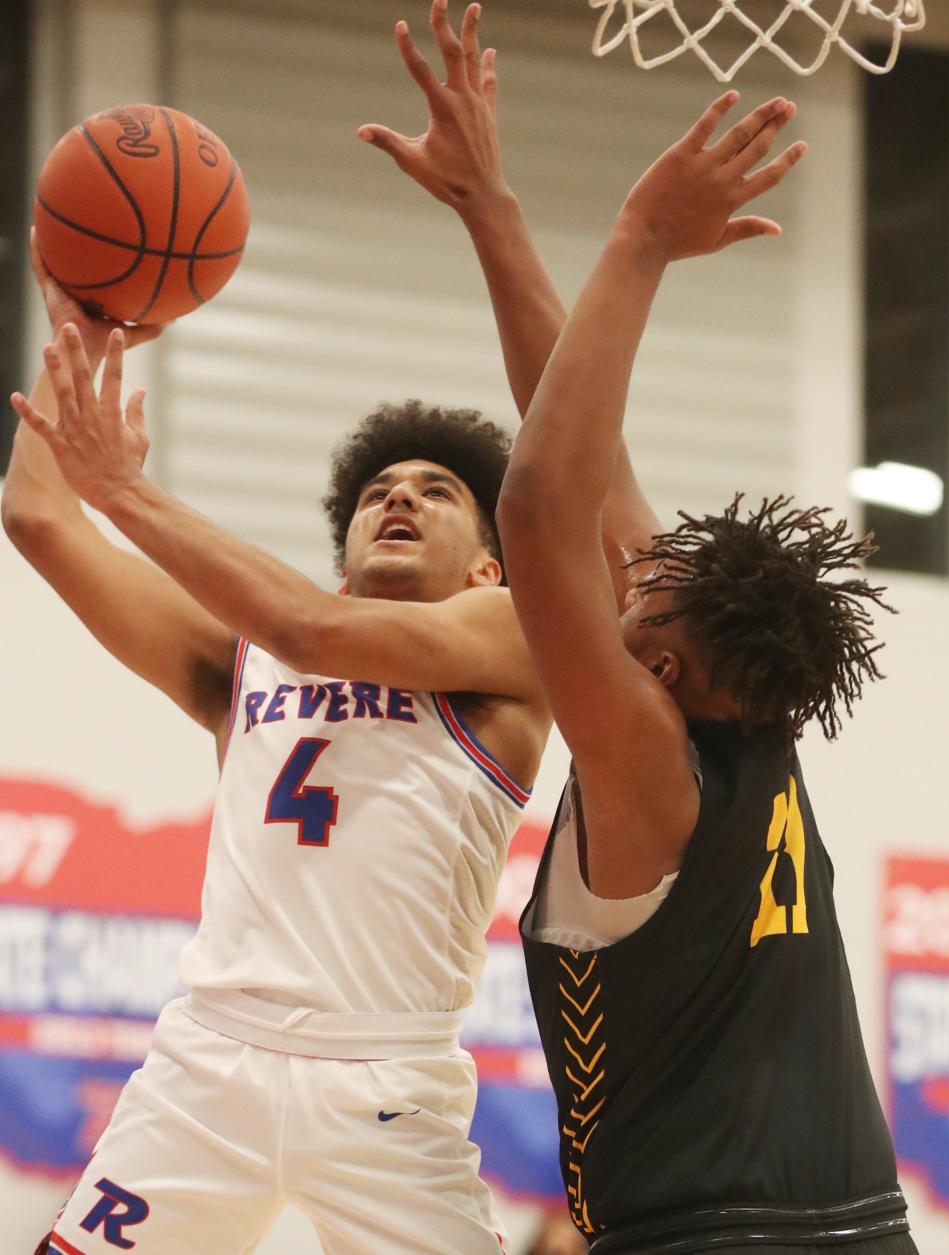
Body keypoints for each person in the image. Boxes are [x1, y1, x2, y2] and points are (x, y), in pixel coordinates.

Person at [1, 5, 575, 1250]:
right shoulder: (245, 655)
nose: (397, 495)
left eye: (434, 490)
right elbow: (39, 522)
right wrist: (86, 330)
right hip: (206, 1062)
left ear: (490, 559)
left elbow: (311, 624)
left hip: (384, 1081)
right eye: (378, 488)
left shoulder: (514, 647)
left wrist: (129, 491)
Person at [496, 93, 917, 1253]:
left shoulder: (648, 766)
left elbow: (538, 506)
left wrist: (641, 238)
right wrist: (492, 212)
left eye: (637, 591)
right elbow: (583, 445)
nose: (625, 570)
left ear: (659, 664)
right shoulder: (750, 722)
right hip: (867, 1224)